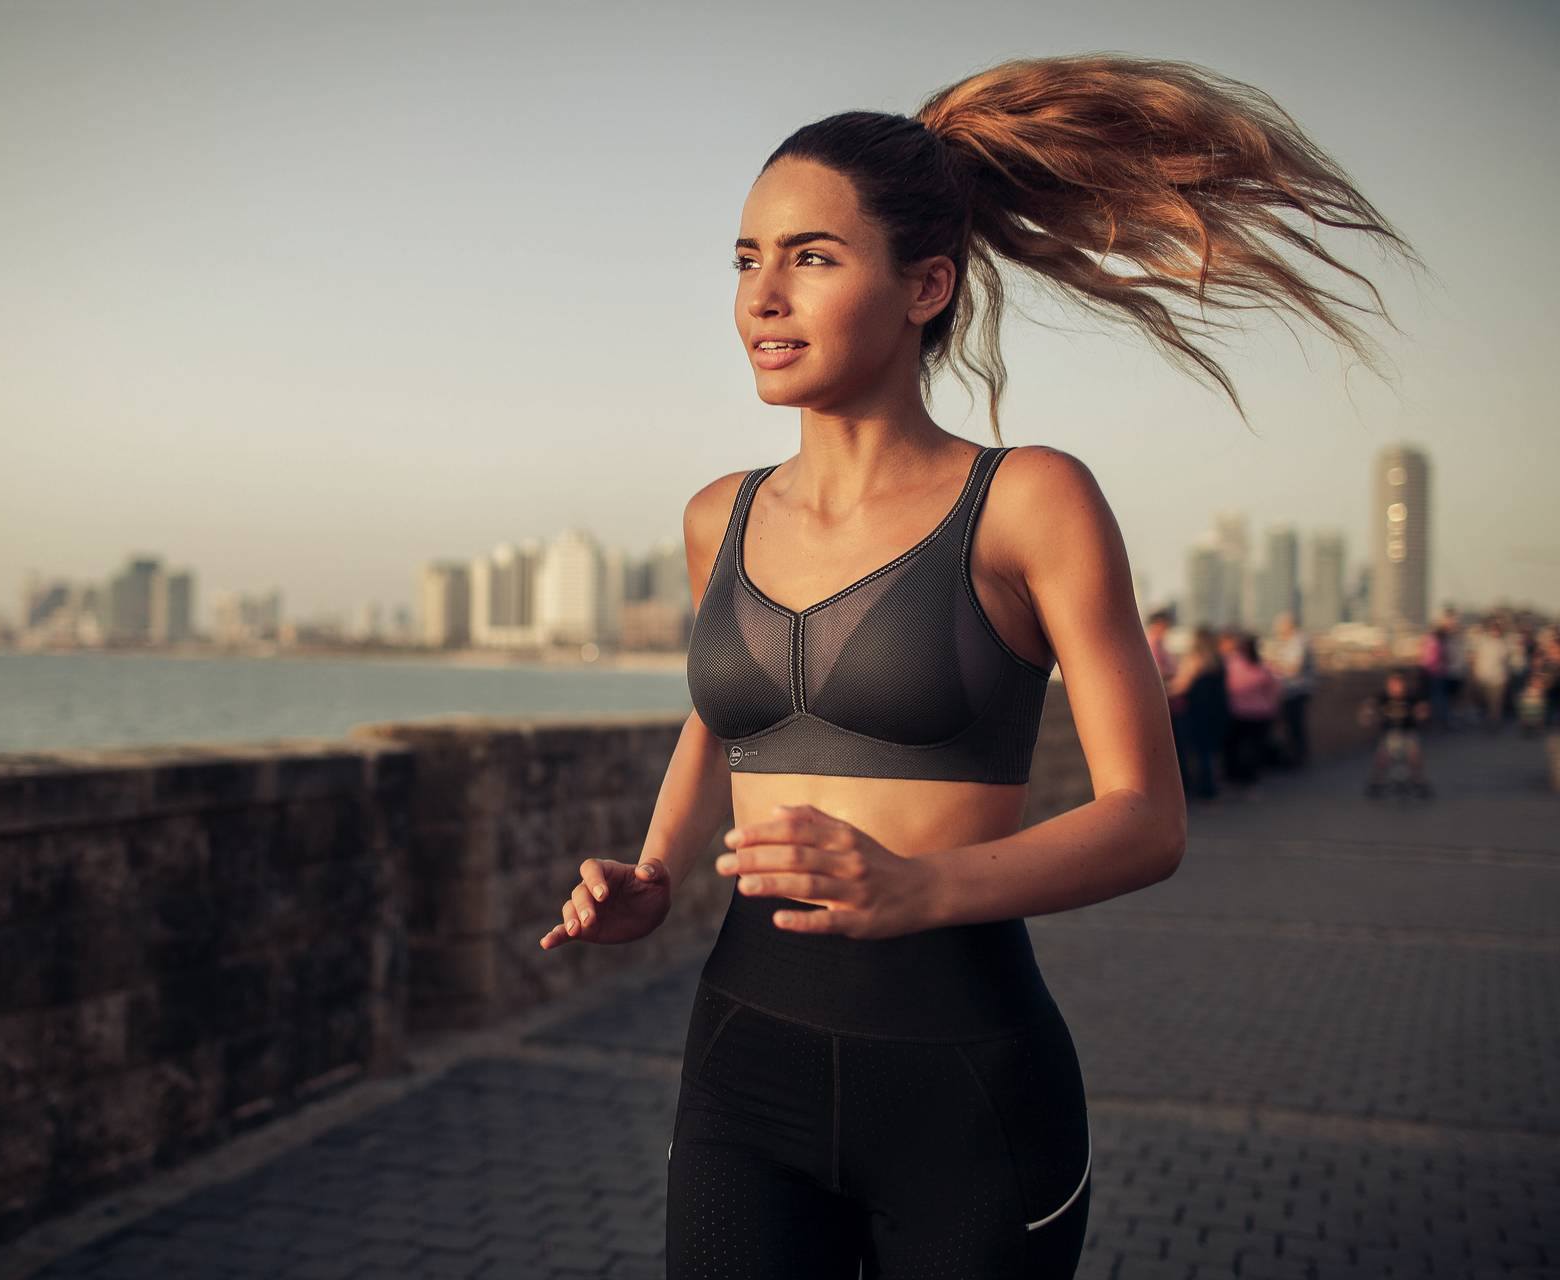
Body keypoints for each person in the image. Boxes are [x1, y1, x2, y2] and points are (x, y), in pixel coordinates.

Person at [536, 52, 1417, 1280]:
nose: (764, 296)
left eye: (813, 257)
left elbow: (1146, 819)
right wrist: (652, 866)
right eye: (746, 259)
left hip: (963, 1087)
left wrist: (918, 887)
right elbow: (720, 714)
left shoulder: (1027, 501)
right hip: (743, 1066)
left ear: (926, 285)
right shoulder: (716, 515)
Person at [1169, 627, 1231, 801]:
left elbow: (1181, 686)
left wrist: (1161, 690)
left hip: (1197, 712)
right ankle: (1211, 787)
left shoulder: (1194, 660)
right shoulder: (1219, 660)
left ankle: (1204, 789)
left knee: (1198, 751)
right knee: (1210, 751)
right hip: (1216, 711)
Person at [1221, 632, 1281, 800]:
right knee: (1254, 749)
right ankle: (1251, 783)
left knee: (1235, 748)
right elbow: (1274, 690)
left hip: (1238, 713)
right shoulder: (1263, 666)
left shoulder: (1232, 664)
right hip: (1260, 714)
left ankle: (1236, 780)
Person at [1359, 669, 1432, 797]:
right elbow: (1369, 704)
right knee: (1382, 756)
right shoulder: (1383, 696)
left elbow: (1423, 707)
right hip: (1389, 733)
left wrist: (1422, 713)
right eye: (1393, 684)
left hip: (1407, 732)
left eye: (1399, 684)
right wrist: (1368, 714)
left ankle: (1419, 781)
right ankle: (1377, 782)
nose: (1396, 688)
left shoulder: (1411, 697)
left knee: (1414, 754)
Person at [1149, 608, 1192, 790]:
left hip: (1171, 702)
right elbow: (1157, 673)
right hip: (1165, 702)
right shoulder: (1152, 644)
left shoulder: (1160, 644)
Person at [1264, 611, 1315, 766]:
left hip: (1297, 691)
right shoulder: (1289, 641)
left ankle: (1298, 759)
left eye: (1280, 627)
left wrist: (1274, 664)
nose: (1278, 631)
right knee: (1291, 726)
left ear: (1288, 626)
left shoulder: (1298, 641)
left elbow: (1294, 668)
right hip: (1290, 691)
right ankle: (1296, 757)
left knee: (1295, 726)